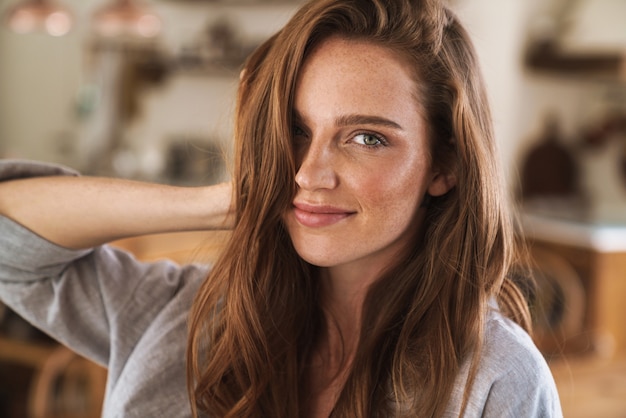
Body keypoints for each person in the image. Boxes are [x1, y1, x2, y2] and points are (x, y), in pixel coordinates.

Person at [0, 0, 562, 416]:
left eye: (366, 137)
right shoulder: (187, 317)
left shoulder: (494, 380)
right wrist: (226, 201)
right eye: (295, 129)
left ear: (446, 166)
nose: (308, 173)